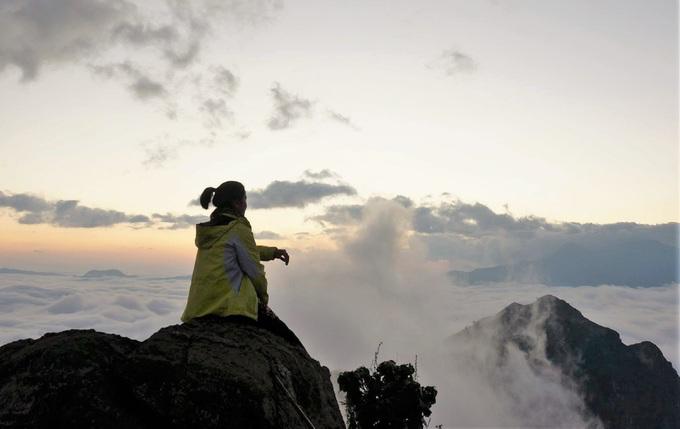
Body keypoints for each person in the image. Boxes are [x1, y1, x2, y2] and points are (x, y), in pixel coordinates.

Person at [181, 181, 302, 347]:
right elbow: (254, 271)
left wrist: (272, 252)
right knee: (290, 342)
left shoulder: (212, 230)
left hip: (200, 306)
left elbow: (240, 249)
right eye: (245, 199)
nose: (246, 204)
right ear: (237, 202)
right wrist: (262, 299)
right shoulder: (238, 228)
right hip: (229, 306)